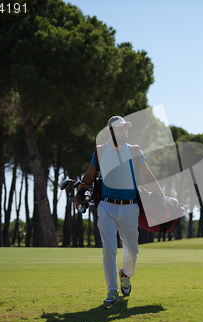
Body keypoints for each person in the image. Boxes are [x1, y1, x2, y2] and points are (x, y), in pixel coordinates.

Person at [75, 115, 177, 305]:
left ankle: (125, 274)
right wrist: (80, 191)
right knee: (109, 250)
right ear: (110, 131)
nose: (125, 132)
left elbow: (147, 175)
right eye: (121, 129)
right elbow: (90, 174)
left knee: (133, 250)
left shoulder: (135, 150)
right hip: (106, 206)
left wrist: (163, 198)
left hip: (130, 207)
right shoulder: (100, 151)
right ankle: (112, 292)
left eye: (126, 129)